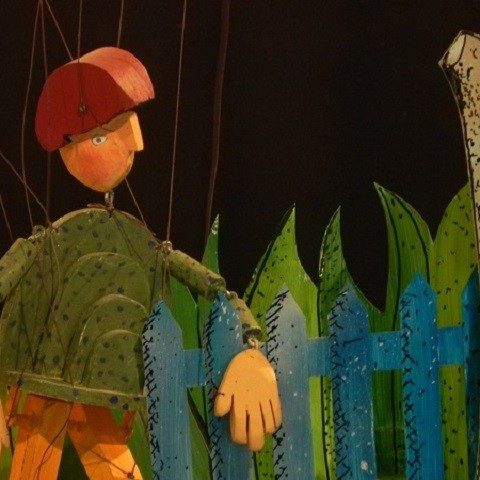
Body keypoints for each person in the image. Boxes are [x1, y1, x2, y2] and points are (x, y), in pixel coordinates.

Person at [0, 47, 281, 479]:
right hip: (40, 386)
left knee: (96, 452)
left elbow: (214, 289)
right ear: (67, 147)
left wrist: (251, 351)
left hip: (95, 394)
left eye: (128, 125)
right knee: (43, 452)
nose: (136, 143)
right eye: (101, 137)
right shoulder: (46, 245)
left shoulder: (144, 247)